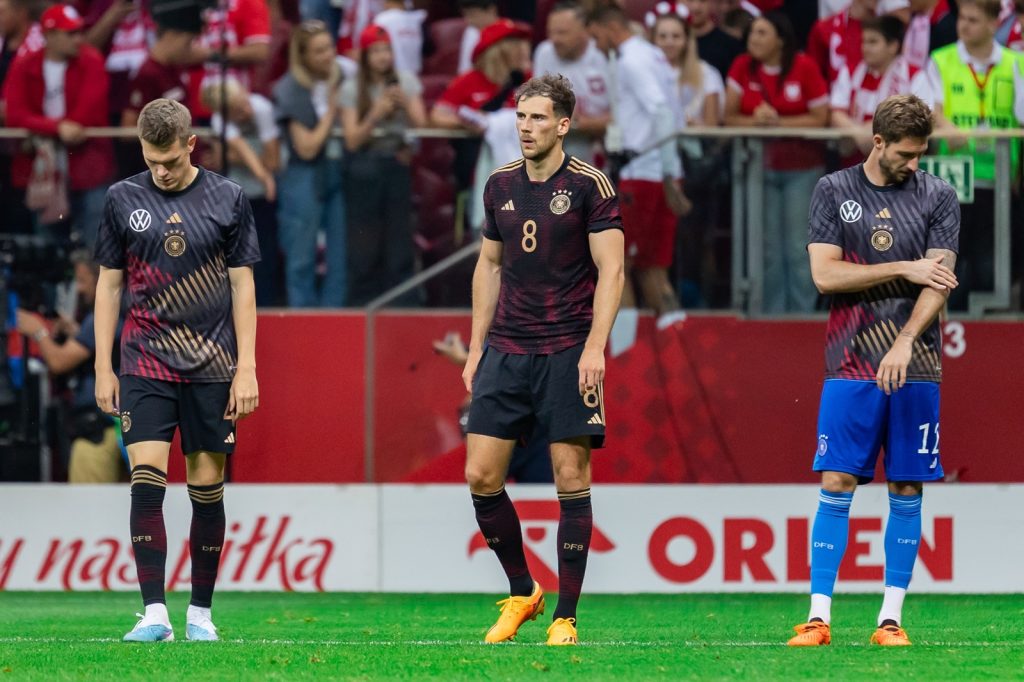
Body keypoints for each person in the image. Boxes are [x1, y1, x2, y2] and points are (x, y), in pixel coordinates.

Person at [789, 94, 959, 648]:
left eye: (921, 153)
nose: (916, 163)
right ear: (878, 142)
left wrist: (906, 340)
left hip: (919, 360)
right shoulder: (834, 190)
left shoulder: (939, 194)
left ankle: (890, 620)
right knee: (836, 481)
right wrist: (904, 267)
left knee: (907, 485)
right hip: (850, 357)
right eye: (906, 153)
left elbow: (940, 280)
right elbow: (824, 276)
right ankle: (818, 618)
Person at [463, 74, 623, 646]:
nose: (525, 127)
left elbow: (613, 271)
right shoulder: (499, 183)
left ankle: (566, 617)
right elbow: (489, 265)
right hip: (507, 346)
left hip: (566, 348)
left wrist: (596, 347)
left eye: (537, 118)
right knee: (480, 474)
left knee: (569, 477)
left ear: (563, 125)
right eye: (521, 116)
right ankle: (525, 591)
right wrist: (477, 344)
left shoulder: (590, 186)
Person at [92, 97, 260, 642]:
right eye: (150, 159)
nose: (160, 170)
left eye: (169, 159)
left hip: (213, 364)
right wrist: (103, 365)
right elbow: (109, 284)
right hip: (144, 360)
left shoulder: (229, 198)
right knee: (146, 480)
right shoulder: (122, 198)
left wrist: (248, 367)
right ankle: (155, 613)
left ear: (191, 144)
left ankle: (201, 615)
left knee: (207, 489)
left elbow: (242, 285)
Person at [588, 5, 689, 328]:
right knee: (653, 267)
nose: (596, 44)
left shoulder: (632, 61)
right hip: (659, 173)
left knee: (617, 266)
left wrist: (667, 172)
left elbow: (661, 112)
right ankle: (679, 350)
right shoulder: (653, 55)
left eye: (596, 36)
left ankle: (624, 353)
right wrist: (672, 172)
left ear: (610, 28)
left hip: (643, 173)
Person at [724, 11, 829, 313]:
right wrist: (755, 122)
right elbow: (728, 117)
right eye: (752, 33)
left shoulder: (804, 66)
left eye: (760, 33)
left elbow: (821, 119)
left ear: (780, 40)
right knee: (767, 250)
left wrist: (779, 122)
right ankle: (769, 317)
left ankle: (800, 318)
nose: (752, 39)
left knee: (798, 249)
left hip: (802, 170)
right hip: (758, 169)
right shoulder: (742, 66)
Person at [927, 0, 1024, 310]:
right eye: (962, 19)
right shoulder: (942, 60)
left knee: (991, 268)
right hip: (952, 182)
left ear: (994, 24)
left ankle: (989, 343)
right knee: (951, 268)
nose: (963, 26)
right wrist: (943, 124)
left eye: (973, 20)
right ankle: (947, 333)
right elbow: (926, 108)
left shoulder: (1015, 63)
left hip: (998, 181)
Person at [2, 3, 114, 249]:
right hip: (41, 168)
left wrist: (52, 128)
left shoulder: (92, 61)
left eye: (80, 32)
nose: (79, 39)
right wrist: (57, 128)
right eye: (70, 33)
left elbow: (88, 113)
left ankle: (98, 288)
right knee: (48, 248)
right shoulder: (25, 64)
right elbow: (16, 114)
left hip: (87, 167)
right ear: (49, 35)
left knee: (98, 246)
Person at [15, 250, 124, 483]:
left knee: (89, 511)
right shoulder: (123, 310)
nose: (79, 289)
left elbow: (59, 362)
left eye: (84, 281)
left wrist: (38, 329)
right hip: (116, 428)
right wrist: (76, 331)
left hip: (100, 433)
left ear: (101, 278)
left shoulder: (104, 315)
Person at [340, 24, 426, 305]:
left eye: (386, 50)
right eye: (375, 51)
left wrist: (406, 106)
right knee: (364, 244)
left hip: (396, 165)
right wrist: (375, 114)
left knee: (399, 240)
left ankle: (401, 307)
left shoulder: (406, 81)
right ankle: (363, 304)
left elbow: (422, 126)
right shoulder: (353, 87)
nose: (382, 57)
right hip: (363, 168)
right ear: (364, 56)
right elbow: (352, 140)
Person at [273, 20, 348, 307]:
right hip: (302, 176)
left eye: (329, 47)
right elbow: (306, 148)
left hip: (336, 171)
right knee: (301, 258)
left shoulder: (344, 77)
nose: (327, 55)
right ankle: (302, 320)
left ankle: (335, 321)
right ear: (303, 56)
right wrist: (331, 112)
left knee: (338, 258)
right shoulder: (289, 89)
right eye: (318, 51)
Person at [204, 77, 283, 307]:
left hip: (263, 198)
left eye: (245, 103)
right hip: (237, 197)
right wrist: (263, 174)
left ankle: (266, 305)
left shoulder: (262, 107)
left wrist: (263, 175)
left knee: (265, 252)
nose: (247, 111)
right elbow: (237, 151)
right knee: (237, 256)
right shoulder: (220, 118)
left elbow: (274, 160)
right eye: (239, 111)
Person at [831, 16, 932, 167]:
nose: (865, 47)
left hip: (898, 167)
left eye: (873, 42)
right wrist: (858, 133)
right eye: (864, 41)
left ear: (893, 46)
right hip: (853, 167)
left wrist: (873, 131)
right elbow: (836, 114)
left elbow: (923, 118)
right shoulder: (850, 71)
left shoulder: (914, 75)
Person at [532, 1, 611, 165]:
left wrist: (587, 124)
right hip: (559, 144)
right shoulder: (544, 53)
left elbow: (622, 113)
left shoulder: (603, 55)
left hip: (606, 145)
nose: (555, 39)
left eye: (562, 33)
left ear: (584, 31)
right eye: (551, 32)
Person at [683, 0, 745, 79]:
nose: (696, 7)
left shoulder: (732, 45)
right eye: (690, 1)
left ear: (712, 3)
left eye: (703, 1)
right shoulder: (668, 45)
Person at [372, 0, 426, 74]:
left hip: (391, 74)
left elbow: (376, 48)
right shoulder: (418, 19)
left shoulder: (382, 19)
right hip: (416, 73)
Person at [457, 0, 499, 75]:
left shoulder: (512, 33)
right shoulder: (471, 32)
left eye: (472, 15)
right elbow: (464, 70)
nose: (468, 21)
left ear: (491, 10)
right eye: (465, 15)